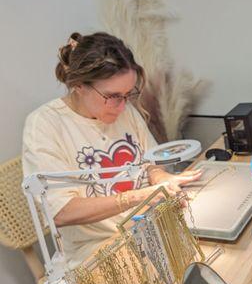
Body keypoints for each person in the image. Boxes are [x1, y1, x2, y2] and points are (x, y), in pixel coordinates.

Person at [22, 32, 202, 268]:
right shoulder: (45, 125)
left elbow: (148, 162)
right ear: (78, 85)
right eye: (113, 96)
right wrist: (137, 196)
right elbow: (61, 212)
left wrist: (163, 178)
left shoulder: (123, 110)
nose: (123, 105)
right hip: (97, 252)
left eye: (128, 95)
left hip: (148, 229)